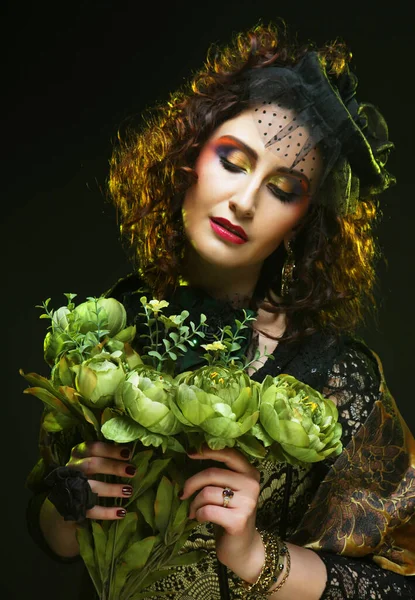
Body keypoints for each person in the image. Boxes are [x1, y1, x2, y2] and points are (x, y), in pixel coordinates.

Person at [25, 20, 415, 600]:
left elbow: (396, 581)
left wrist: (257, 557)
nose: (245, 200)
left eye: (283, 189)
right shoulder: (115, 320)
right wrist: (73, 501)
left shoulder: (335, 373)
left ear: (300, 225)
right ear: (188, 159)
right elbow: (55, 537)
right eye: (233, 161)